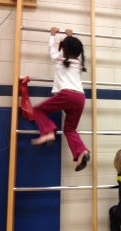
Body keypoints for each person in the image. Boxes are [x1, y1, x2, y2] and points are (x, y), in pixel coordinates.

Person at [31, 27, 90, 172]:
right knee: (70, 129)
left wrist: (52, 35)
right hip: (80, 98)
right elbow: (73, 49)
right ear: (78, 53)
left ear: (63, 49)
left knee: (38, 110)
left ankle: (49, 132)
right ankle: (81, 152)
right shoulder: (79, 63)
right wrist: (69, 35)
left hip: (67, 95)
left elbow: (52, 49)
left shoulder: (59, 59)